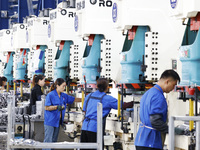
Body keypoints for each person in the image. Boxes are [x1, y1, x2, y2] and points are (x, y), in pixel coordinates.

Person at [80, 78, 134, 150]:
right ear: (107, 87)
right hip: (95, 129)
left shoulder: (88, 96)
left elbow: (85, 111)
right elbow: (124, 105)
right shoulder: (106, 98)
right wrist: (137, 101)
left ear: (97, 86)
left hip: (84, 128)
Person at [134, 69, 180, 150]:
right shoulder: (158, 97)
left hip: (141, 140)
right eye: (173, 85)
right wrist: (172, 129)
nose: (173, 88)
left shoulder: (148, 93)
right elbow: (155, 121)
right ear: (167, 82)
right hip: (151, 142)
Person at [43, 78, 81, 150]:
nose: (64, 88)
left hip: (57, 122)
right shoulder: (50, 95)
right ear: (57, 85)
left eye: (65, 86)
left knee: (54, 142)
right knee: (48, 142)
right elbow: (46, 107)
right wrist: (56, 107)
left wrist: (85, 99)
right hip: (50, 122)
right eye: (63, 86)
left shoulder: (64, 96)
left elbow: (74, 99)